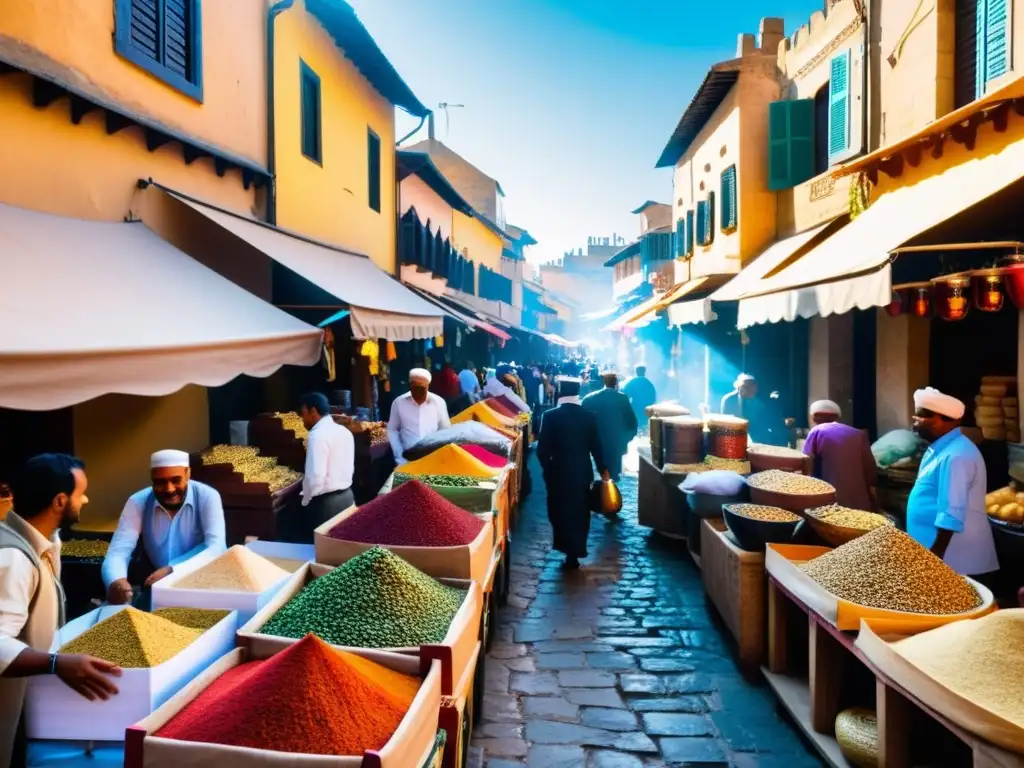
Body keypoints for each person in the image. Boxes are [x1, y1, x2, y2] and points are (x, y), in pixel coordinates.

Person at [1, 454, 121, 766]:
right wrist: (57, 664)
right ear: (59, 501)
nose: (87, 499)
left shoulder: (43, 541)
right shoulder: (14, 558)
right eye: (81, 494)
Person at [102, 450, 227, 606]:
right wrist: (116, 581)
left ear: (188, 474)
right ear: (152, 479)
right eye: (160, 482)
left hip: (203, 586)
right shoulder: (138, 501)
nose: (169, 489)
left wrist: (172, 569)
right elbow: (118, 552)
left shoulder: (207, 496)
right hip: (159, 589)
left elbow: (217, 548)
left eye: (176, 480)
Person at [907, 387, 999, 577]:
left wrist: (935, 558)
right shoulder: (941, 449)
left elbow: (951, 513)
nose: (915, 420)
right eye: (916, 414)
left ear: (948, 420)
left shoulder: (956, 455)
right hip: (937, 557)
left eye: (923, 415)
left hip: (954, 561)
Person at [538, 377, 609, 570]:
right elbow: (596, 447)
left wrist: (547, 470)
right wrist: (603, 469)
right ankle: (575, 551)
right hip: (582, 473)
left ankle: (565, 546)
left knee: (560, 511)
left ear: (561, 392)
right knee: (580, 512)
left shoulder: (550, 416)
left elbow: (542, 450)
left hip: (558, 474)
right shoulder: (589, 416)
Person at [299, 392, 355, 540]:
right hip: (348, 498)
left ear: (313, 411)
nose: (302, 419)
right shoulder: (344, 431)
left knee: (324, 551)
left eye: (303, 414)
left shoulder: (317, 436)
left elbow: (315, 476)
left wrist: (306, 500)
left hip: (327, 505)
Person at [802, 400, 876, 511]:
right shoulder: (859, 434)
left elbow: (806, 464)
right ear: (837, 418)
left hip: (829, 505)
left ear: (813, 418)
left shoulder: (816, 431)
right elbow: (870, 469)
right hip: (859, 506)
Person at [388, 368, 452, 466]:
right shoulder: (398, 403)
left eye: (422, 388)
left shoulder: (439, 403)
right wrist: (399, 456)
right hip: (406, 459)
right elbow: (392, 430)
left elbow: (446, 432)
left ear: (427, 386)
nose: (418, 392)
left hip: (432, 459)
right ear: (410, 386)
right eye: (415, 388)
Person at [583, 372, 638, 481]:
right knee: (614, 474)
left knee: (597, 471)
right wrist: (625, 439)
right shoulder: (622, 399)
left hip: (597, 441)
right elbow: (632, 422)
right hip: (616, 442)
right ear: (616, 383)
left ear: (604, 382)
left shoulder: (590, 399)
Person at [720, 373, 785, 445]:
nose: (750, 390)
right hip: (734, 436)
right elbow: (726, 423)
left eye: (753, 387)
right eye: (746, 387)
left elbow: (761, 422)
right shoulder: (729, 399)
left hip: (753, 438)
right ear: (739, 387)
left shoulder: (757, 402)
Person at [622, 365, 657, 429]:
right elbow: (653, 398)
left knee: (637, 426)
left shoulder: (633, 382)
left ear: (636, 371)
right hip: (646, 409)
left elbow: (625, 394)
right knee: (645, 427)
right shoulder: (648, 383)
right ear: (644, 372)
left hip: (636, 408)